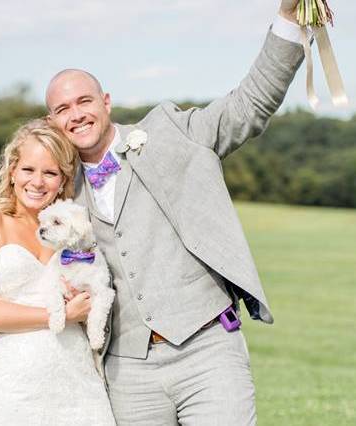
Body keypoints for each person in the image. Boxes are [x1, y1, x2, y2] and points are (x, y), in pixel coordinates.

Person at [44, 2, 307, 424]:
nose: (76, 114)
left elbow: (248, 106)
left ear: (106, 102)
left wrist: (291, 20)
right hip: (126, 367)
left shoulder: (169, 132)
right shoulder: (58, 187)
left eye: (84, 101)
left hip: (206, 350)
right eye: (62, 110)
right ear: (53, 121)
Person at [0, 119, 116, 425]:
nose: (38, 182)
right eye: (28, 169)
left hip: (79, 383)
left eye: (50, 173)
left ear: (63, 179)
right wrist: (62, 315)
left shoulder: (72, 231)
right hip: (15, 387)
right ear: (12, 170)